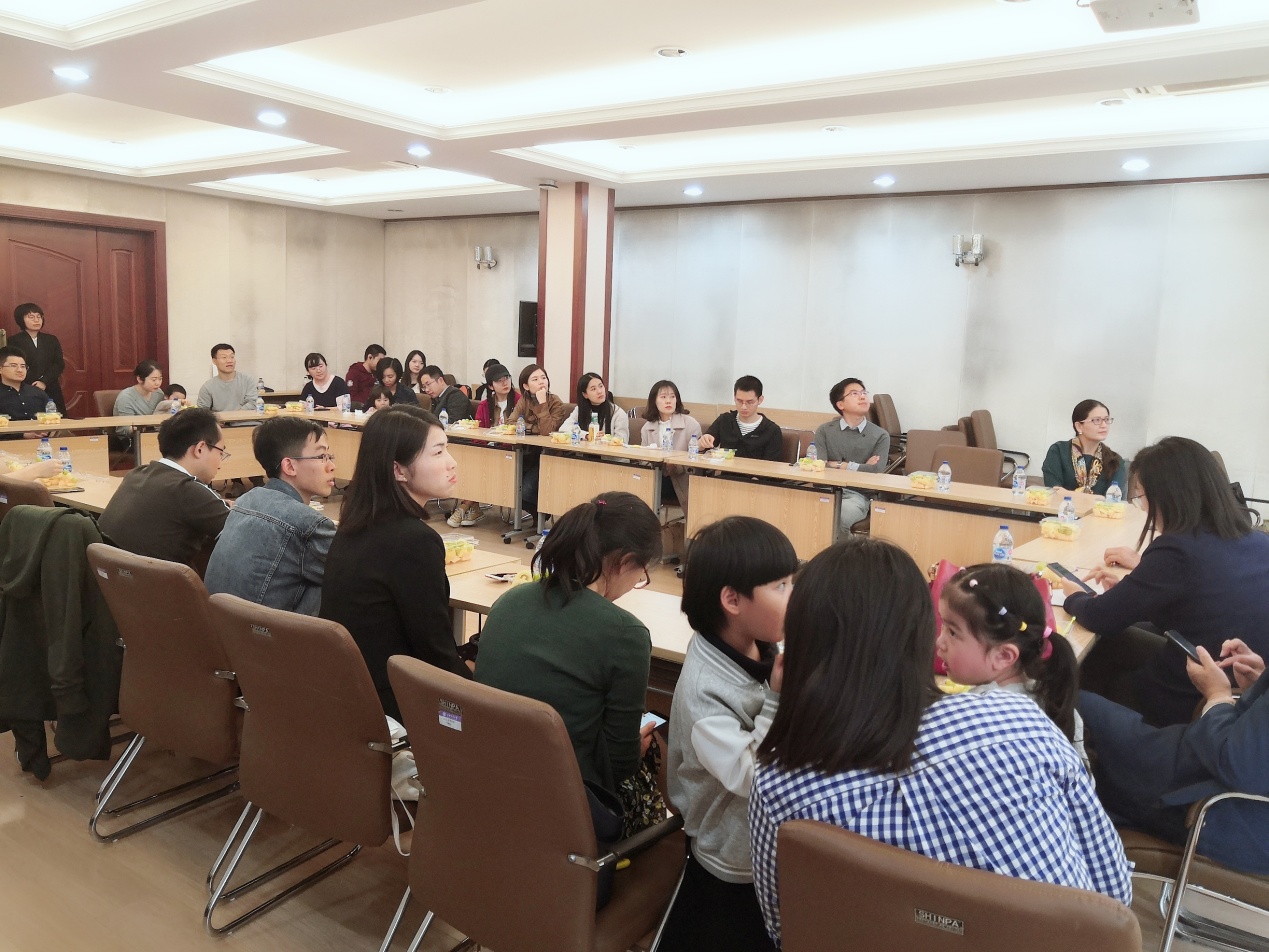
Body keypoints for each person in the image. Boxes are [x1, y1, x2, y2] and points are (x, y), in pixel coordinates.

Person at [749, 539, 1132, 946]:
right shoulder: (1020, 725)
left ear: (801, 643)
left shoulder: (777, 786)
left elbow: (787, 931)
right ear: (920, 636)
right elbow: (1113, 897)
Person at [1057, 436, 1269, 727]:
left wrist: (1073, 595)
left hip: (1196, 695)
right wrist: (1134, 593)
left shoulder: (1178, 549)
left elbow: (1099, 617)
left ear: (1166, 496)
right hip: (1246, 691)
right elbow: (1199, 608)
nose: (1143, 508)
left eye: (1142, 496)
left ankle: (1093, 739)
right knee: (1118, 638)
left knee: (1084, 668)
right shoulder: (1258, 541)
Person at [661, 517, 798, 952]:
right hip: (732, 863)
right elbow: (751, 777)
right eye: (781, 586)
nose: (793, 596)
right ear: (732, 600)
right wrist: (776, 700)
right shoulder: (704, 692)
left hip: (764, 847)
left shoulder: (756, 642)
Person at [476, 492, 663, 810]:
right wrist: (637, 749)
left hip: (484, 782)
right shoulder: (625, 633)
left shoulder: (509, 601)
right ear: (625, 561)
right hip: (565, 803)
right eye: (641, 573)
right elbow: (620, 765)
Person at [319, 405, 471, 720]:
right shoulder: (414, 541)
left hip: (349, 693)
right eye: (438, 452)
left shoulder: (354, 525)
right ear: (398, 470)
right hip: (395, 705)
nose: (451, 462)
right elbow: (435, 655)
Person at [1080, 639, 1269, 875]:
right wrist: (1258, 688)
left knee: (1075, 705)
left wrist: (1218, 695)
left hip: (1211, 802)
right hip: (1209, 768)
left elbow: (1239, 765)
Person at [937, 563, 1088, 768]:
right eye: (943, 626)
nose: (939, 642)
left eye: (953, 632)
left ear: (1004, 656)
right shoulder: (1051, 696)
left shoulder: (972, 719)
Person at [204, 416, 336, 615]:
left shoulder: (244, 501)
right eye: (322, 456)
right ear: (289, 466)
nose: (331, 465)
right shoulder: (308, 523)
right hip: (264, 631)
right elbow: (357, 572)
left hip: (219, 625)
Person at [97, 407, 229, 569]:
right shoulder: (188, 489)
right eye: (221, 452)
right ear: (200, 448)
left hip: (111, 579)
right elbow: (244, 533)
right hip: (158, 583)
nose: (220, 463)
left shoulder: (136, 474)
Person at [446, 362, 520, 528]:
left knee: (486, 463)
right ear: (491, 386)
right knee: (473, 460)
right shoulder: (485, 405)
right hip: (489, 449)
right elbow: (478, 433)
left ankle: (465, 506)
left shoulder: (519, 401)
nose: (505, 383)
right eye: (499, 380)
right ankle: (474, 508)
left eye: (507, 378)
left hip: (510, 451)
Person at [506, 364, 569, 521]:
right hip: (526, 453)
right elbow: (511, 422)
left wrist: (542, 404)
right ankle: (538, 516)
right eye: (535, 379)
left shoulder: (555, 402)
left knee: (526, 489)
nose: (541, 382)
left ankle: (542, 515)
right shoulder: (524, 400)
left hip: (548, 456)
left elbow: (547, 431)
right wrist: (534, 428)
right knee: (508, 485)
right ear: (526, 386)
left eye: (543, 378)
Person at [639, 379, 702, 517]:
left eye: (672, 397)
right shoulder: (647, 428)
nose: (668, 401)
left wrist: (676, 466)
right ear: (654, 401)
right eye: (663, 397)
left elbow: (697, 461)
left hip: (683, 479)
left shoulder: (691, 424)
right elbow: (643, 460)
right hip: (655, 477)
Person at [1043, 399, 1128, 496]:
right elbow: (1054, 492)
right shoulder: (1059, 451)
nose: (1104, 425)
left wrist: (1067, 493)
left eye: (1106, 420)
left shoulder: (1115, 461)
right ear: (1079, 426)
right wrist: (1097, 499)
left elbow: (1113, 500)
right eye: (1097, 420)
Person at [697, 375, 783, 461]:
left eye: (750, 402)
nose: (743, 407)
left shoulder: (772, 430)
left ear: (760, 400)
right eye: (739, 401)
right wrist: (701, 444)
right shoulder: (725, 420)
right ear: (734, 398)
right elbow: (704, 449)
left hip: (755, 470)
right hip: (725, 469)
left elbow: (772, 465)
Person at [10, 303, 65, 412]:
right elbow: (14, 364)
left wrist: (44, 381)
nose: (36, 320)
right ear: (21, 319)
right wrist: (34, 383)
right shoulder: (13, 341)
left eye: (39, 317)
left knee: (55, 417)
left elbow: (59, 364)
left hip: (50, 385)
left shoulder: (51, 340)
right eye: (31, 317)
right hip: (25, 386)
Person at [557, 372, 629, 442]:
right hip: (582, 449)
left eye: (601, 386)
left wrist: (605, 439)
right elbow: (563, 429)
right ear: (585, 395)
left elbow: (623, 441)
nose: (599, 391)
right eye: (593, 389)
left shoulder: (618, 414)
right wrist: (587, 435)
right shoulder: (580, 410)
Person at [112, 359, 165, 449]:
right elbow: (123, 429)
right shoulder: (126, 397)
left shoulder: (158, 393)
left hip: (153, 435)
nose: (158, 383)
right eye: (154, 380)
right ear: (140, 379)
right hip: (131, 439)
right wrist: (140, 426)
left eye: (160, 379)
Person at [196, 343, 257, 411]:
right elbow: (202, 411)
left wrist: (235, 415)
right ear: (214, 361)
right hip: (219, 418)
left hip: (245, 417)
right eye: (224, 357)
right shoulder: (208, 387)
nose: (229, 361)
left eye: (232, 357)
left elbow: (253, 402)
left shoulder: (247, 380)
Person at [0, 345, 52, 421]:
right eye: (13, 366)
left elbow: (53, 418)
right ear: (0, 369)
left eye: (23, 366)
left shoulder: (38, 393)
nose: (20, 370)